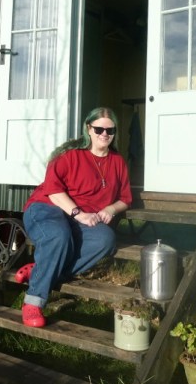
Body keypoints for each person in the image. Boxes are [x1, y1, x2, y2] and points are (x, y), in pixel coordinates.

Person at [17, 107, 133, 327]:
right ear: (88, 129)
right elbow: (53, 190)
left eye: (110, 130)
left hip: (83, 218)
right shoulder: (69, 155)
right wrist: (78, 213)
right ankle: (33, 302)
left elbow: (125, 198)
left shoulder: (118, 162)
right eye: (99, 129)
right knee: (58, 236)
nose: (104, 134)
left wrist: (111, 210)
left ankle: (41, 269)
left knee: (105, 240)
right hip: (48, 208)